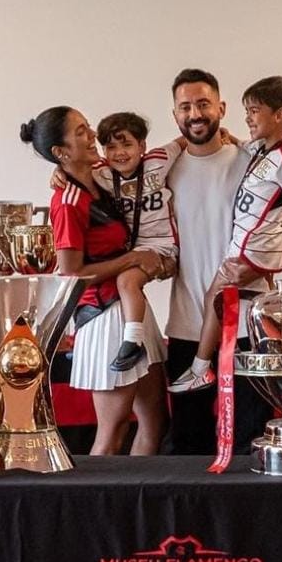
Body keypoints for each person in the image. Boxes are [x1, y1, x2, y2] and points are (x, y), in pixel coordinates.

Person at [20, 106, 169, 455]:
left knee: (155, 421)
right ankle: (98, 508)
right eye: (82, 132)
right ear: (61, 152)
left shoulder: (101, 181)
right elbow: (71, 275)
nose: (92, 137)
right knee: (113, 428)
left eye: (88, 128)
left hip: (131, 310)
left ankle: (136, 503)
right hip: (103, 316)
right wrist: (132, 259)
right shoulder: (68, 200)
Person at [168, 75, 282, 393]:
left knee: (216, 295)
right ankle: (200, 364)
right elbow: (244, 145)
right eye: (186, 106)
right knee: (226, 294)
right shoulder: (258, 152)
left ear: (279, 115)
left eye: (254, 111)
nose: (248, 117)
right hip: (193, 315)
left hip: (254, 261)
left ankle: (199, 368)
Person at [162, 68, 273, 455]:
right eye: (186, 106)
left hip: (245, 325)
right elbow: (108, 174)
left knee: (248, 441)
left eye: (204, 103)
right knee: (188, 445)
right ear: (175, 114)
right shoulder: (163, 169)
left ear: (221, 108)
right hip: (186, 324)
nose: (195, 113)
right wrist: (60, 174)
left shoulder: (253, 161)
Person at [91, 112, 182, 372]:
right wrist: (57, 172)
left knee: (125, 282)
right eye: (111, 146)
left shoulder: (158, 160)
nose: (119, 153)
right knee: (114, 282)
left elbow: (184, 141)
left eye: (127, 144)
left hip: (161, 245)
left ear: (142, 146)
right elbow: (74, 166)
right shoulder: (102, 173)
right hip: (131, 249)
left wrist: (226, 136)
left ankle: (133, 342)